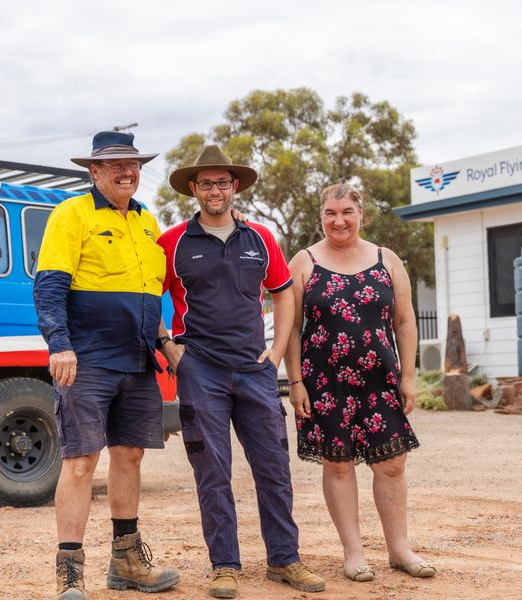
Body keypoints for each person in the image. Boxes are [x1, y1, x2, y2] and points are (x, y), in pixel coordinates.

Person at [157, 145, 325, 599]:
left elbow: (284, 293)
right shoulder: (172, 243)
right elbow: (147, 297)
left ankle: (284, 560)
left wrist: (277, 351)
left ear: (234, 186)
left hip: (255, 371)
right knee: (213, 472)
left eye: (222, 182)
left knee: (274, 469)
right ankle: (224, 566)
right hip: (200, 371)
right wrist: (170, 350)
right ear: (194, 189)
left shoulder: (261, 238)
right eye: (206, 183)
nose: (215, 190)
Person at [34, 131, 179, 599]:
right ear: (94, 171)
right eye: (115, 165)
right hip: (87, 360)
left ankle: (127, 562)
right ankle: (70, 571)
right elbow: (49, 286)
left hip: (138, 361)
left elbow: (147, 293)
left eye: (133, 164)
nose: (127, 172)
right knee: (80, 462)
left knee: (130, 456)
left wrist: (165, 343)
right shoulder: (72, 213)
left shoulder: (146, 220)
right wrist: (60, 345)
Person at [283, 183, 434, 582]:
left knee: (392, 464)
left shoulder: (387, 259)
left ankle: (399, 549)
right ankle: (353, 553)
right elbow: (291, 327)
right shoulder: (304, 261)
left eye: (347, 212)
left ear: (361, 214)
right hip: (324, 382)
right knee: (338, 465)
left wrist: (408, 376)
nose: (339, 221)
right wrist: (295, 382)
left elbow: (405, 319)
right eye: (330, 213)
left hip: (380, 379)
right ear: (321, 216)